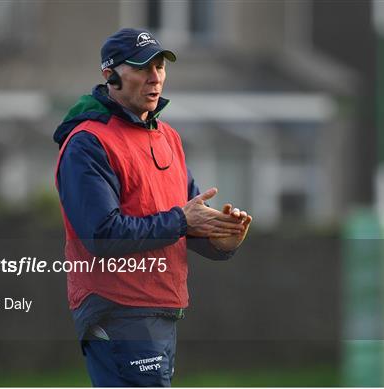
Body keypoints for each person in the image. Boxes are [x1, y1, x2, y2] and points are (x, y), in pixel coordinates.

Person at [53, 28, 252, 387]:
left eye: (160, 67)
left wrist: (224, 238)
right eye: (142, 67)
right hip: (117, 308)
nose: (155, 77)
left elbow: (188, 223)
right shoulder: (88, 143)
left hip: (159, 310)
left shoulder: (168, 138)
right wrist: (181, 220)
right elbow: (103, 235)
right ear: (109, 75)